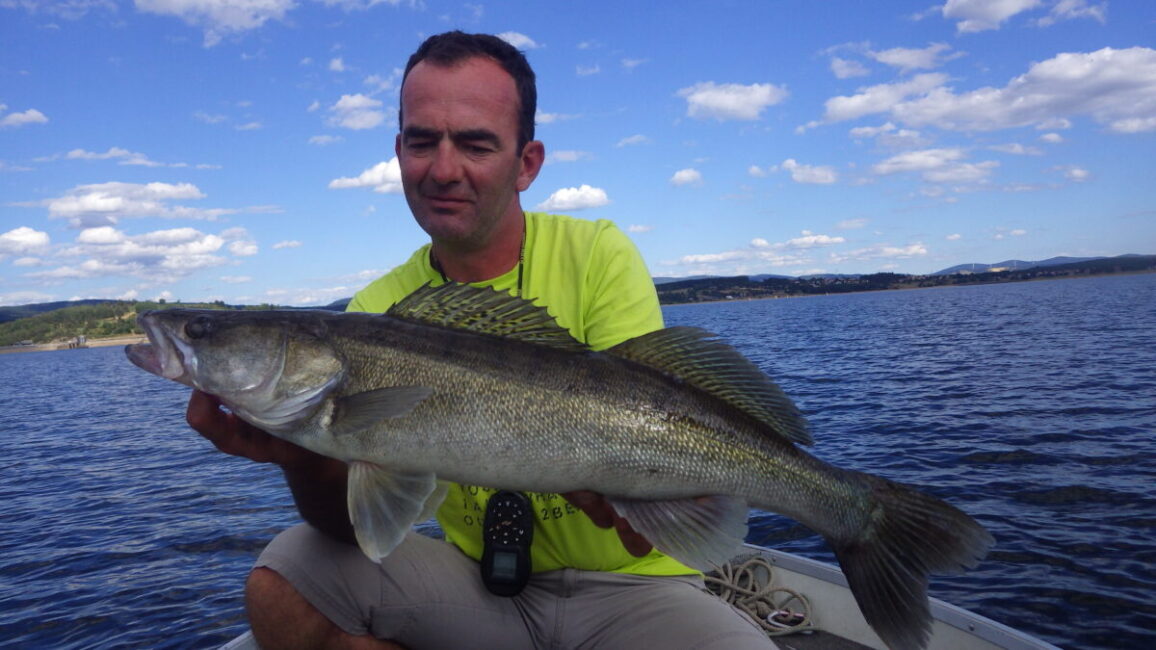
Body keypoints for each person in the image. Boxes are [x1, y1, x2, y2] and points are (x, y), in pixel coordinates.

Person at [188, 31, 775, 649]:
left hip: (631, 590)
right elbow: (357, 525)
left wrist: (646, 499)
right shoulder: (373, 314)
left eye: (474, 143)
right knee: (288, 572)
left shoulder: (597, 253)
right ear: (398, 152)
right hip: (477, 588)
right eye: (422, 141)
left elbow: (641, 521)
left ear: (527, 163)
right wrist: (301, 457)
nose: (444, 169)